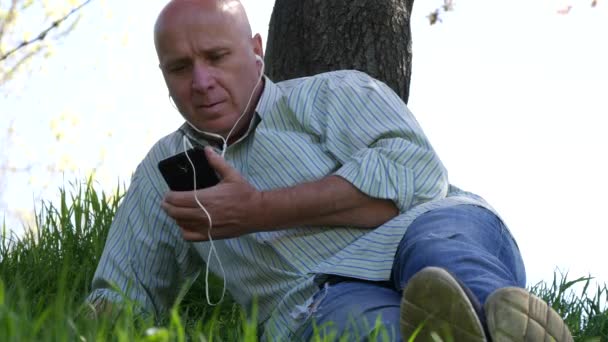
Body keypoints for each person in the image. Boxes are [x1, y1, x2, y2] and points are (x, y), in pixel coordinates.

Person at [88, 0, 573, 341]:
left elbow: (415, 174)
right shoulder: (165, 170)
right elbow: (124, 293)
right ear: (164, 75)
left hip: (422, 228)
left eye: (216, 57)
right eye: (179, 67)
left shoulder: (332, 93)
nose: (201, 81)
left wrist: (257, 211)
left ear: (256, 50)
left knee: (442, 251)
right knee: (352, 329)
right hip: (318, 299)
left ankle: (498, 326)